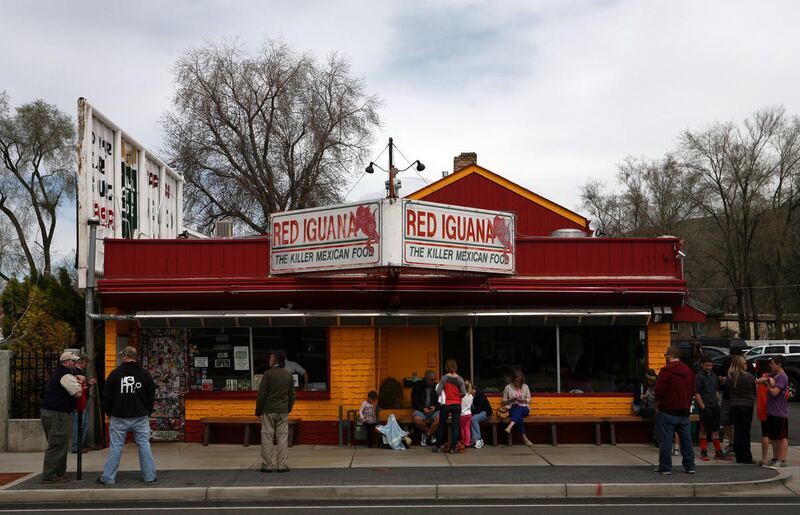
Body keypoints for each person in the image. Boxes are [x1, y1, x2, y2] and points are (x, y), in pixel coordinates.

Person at [98, 346, 157, 485]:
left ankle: (108, 478)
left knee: (116, 447)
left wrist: (108, 412)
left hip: (119, 416)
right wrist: (148, 411)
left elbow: (107, 396)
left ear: (124, 356)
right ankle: (149, 476)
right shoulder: (145, 374)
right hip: (140, 416)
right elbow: (151, 395)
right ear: (135, 357)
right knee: (144, 445)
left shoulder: (114, 374)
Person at [40, 350, 84, 483]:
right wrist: (81, 383)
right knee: (57, 443)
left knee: (60, 443)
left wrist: (77, 378)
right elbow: (77, 393)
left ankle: (59, 473)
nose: (75, 363)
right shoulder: (65, 375)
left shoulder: (61, 373)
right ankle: (50, 475)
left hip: (51, 412)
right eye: (73, 361)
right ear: (65, 362)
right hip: (58, 414)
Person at [653, 346, 696, 475]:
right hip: (684, 410)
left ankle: (665, 467)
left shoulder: (665, 372)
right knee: (686, 439)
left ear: (671, 355)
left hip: (668, 410)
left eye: (666, 355)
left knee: (666, 440)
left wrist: (656, 406)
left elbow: (659, 392)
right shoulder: (689, 372)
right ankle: (689, 466)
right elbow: (693, 390)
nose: (665, 357)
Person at [255, 350, 296, 473]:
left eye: (270, 357)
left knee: (267, 436)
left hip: (269, 410)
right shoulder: (288, 375)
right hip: (283, 410)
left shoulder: (268, 374)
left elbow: (261, 394)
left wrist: (258, 411)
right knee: (283, 437)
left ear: (275, 360)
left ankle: (267, 465)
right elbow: (292, 395)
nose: (269, 359)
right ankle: (282, 465)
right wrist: (288, 408)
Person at [756, 355, 789, 469]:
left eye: (773, 363)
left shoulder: (782, 377)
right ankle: (775, 458)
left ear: (779, 364)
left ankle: (780, 460)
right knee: (774, 437)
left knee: (780, 437)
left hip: (779, 412)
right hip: (771, 412)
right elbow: (759, 380)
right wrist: (767, 379)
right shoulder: (773, 375)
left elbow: (775, 392)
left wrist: (768, 385)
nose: (770, 365)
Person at [694, 356, 725, 461]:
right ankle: (703, 451)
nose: (709, 367)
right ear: (702, 365)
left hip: (714, 405)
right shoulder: (699, 376)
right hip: (705, 406)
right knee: (703, 429)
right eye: (707, 365)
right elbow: (696, 393)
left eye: (710, 365)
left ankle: (718, 451)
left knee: (715, 428)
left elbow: (716, 390)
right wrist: (702, 407)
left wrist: (717, 401)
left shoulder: (713, 376)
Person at [726, 355, 756, 464]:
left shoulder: (730, 376)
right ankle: (746, 457)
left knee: (737, 431)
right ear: (740, 365)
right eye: (744, 363)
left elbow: (728, 390)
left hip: (734, 404)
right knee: (745, 432)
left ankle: (739, 456)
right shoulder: (749, 377)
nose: (746, 365)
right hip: (747, 405)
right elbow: (754, 389)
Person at [432, 359, 466, 454]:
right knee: (455, 426)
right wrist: (458, 396)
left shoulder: (444, 378)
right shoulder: (460, 379)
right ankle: (453, 448)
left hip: (446, 404)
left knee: (442, 425)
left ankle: (438, 446)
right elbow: (463, 393)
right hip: (457, 405)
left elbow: (438, 392)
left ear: (446, 366)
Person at [71, 353, 96, 454]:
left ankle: (79, 445)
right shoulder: (75, 372)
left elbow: (82, 387)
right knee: (79, 424)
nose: (86, 364)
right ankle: (76, 446)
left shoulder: (78, 372)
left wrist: (88, 384)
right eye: (85, 362)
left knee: (83, 424)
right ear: (81, 362)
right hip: (78, 402)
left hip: (82, 401)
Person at [502, 370, 532, 446]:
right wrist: (511, 399)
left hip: (524, 408)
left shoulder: (525, 386)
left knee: (519, 409)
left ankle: (510, 426)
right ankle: (524, 438)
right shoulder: (508, 387)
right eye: (516, 381)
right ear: (512, 380)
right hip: (513, 408)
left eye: (519, 381)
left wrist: (524, 400)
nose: (517, 383)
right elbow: (504, 401)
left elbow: (529, 399)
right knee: (519, 417)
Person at [411, 370, 440, 447]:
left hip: (434, 410)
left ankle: (426, 434)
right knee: (416, 419)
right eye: (431, 379)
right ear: (426, 379)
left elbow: (441, 401)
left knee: (440, 418)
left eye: (435, 379)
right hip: (422, 410)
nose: (434, 381)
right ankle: (431, 434)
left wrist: (435, 407)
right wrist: (423, 408)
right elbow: (414, 402)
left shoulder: (437, 387)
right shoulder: (417, 386)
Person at [470, 383, 493, 449]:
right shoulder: (470, 396)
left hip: (486, 412)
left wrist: (472, 413)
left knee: (474, 419)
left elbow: (479, 408)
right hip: (479, 413)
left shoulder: (479, 394)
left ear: (473, 389)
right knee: (471, 418)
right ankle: (474, 440)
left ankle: (478, 439)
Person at [756, 369, 771, 466]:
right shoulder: (774, 379)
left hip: (762, 409)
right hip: (774, 410)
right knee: (778, 437)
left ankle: (764, 458)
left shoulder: (760, 381)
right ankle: (778, 458)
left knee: (765, 434)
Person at [458, 381, 474, 452]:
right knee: (467, 428)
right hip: (469, 414)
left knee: (462, 428)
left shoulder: (461, 396)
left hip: (462, 414)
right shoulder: (471, 396)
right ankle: (467, 443)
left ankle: (463, 442)